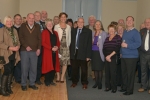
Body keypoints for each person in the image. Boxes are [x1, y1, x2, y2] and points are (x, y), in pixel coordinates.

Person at [19, 13, 41, 91]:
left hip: (35, 51)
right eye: (30, 18)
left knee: (33, 68)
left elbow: (39, 38)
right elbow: (20, 37)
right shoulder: (23, 26)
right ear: (27, 18)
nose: (31, 19)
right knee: (24, 68)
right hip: (25, 51)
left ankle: (32, 83)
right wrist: (25, 46)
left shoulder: (37, 26)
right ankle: (23, 84)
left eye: (32, 18)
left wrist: (39, 48)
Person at [120, 16, 141, 95]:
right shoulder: (125, 31)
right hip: (124, 56)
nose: (129, 21)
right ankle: (124, 87)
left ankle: (129, 90)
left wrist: (127, 46)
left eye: (130, 20)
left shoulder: (136, 32)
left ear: (133, 22)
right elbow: (123, 43)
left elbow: (138, 43)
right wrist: (121, 52)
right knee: (124, 73)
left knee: (130, 74)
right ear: (126, 22)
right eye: (127, 20)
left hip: (132, 57)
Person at [0, 16, 20, 96]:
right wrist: (10, 47)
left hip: (14, 54)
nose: (9, 23)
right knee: (6, 71)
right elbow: (0, 43)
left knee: (11, 70)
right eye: (7, 21)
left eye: (11, 21)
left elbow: (18, 41)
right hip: (5, 54)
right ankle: (2, 89)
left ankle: (8, 87)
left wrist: (18, 46)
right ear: (5, 22)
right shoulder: (1, 30)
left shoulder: (14, 30)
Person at [70, 18, 92, 89]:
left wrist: (88, 55)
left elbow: (89, 44)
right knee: (74, 68)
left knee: (84, 69)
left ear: (84, 23)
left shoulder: (88, 31)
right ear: (77, 22)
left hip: (83, 53)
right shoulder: (73, 30)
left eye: (81, 22)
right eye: (79, 22)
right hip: (74, 52)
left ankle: (84, 83)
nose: (80, 23)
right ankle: (74, 82)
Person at [103, 24, 122, 93]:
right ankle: (108, 86)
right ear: (108, 30)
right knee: (107, 73)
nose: (111, 30)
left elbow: (117, 48)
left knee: (113, 73)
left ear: (115, 30)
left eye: (112, 29)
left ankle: (114, 87)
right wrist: (106, 56)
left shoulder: (118, 37)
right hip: (107, 58)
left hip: (113, 57)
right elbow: (104, 49)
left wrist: (110, 56)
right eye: (110, 29)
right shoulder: (106, 38)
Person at [42, 19, 60, 86]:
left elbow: (58, 42)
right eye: (48, 24)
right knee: (48, 66)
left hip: (55, 52)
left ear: (53, 25)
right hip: (48, 52)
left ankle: (51, 80)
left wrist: (57, 47)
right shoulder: (44, 32)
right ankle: (47, 81)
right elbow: (43, 43)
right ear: (46, 25)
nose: (50, 25)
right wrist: (51, 48)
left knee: (54, 66)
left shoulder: (55, 32)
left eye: (51, 24)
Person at [54, 12, 71, 83]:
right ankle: (58, 75)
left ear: (66, 18)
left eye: (64, 17)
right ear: (60, 18)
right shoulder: (56, 26)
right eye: (62, 17)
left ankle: (62, 76)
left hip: (65, 47)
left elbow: (69, 38)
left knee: (65, 63)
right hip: (58, 46)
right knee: (57, 62)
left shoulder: (68, 27)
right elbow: (54, 37)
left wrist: (68, 46)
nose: (63, 18)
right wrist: (56, 46)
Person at [91, 20, 107, 89]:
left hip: (100, 53)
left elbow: (106, 43)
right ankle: (96, 82)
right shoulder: (93, 33)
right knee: (95, 68)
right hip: (93, 52)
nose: (97, 25)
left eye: (99, 24)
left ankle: (100, 83)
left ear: (101, 26)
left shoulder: (104, 33)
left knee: (99, 69)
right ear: (94, 26)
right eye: (96, 24)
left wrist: (101, 44)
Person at [138, 18, 150, 93]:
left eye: (149, 22)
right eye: (146, 22)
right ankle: (144, 86)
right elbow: (138, 41)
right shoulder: (142, 31)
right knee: (143, 71)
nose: (147, 23)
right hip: (143, 54)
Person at [34, 11, 44, 85]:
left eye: (39, 15)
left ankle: (38, 78)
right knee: (32, 64)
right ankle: (32, 79)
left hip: (41, 47)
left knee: (39, 64)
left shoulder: (43, 25)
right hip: (33, 47)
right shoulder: (31, 24)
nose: (37, 17)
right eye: (36, 15)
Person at [85, 15, 96, 79]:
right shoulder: (86, 27)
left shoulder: (98, 26)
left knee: (94, 61)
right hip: (87, 47)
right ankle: (87, 74)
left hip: (95, 47)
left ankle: (93, 74)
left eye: (93, 20)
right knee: (87, 61)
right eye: (90, 20)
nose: (91, 21)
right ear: (88, 21)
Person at [13, 14, 22, 84]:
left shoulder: (23, 28)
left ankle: (19, 77)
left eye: (19, 19)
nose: (18, 20)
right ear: (14, 20)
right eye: (17, 19)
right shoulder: (11, 28)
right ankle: (16, 78)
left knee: (20, 63)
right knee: (15, 64)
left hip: (22, 48)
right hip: (13, 49)